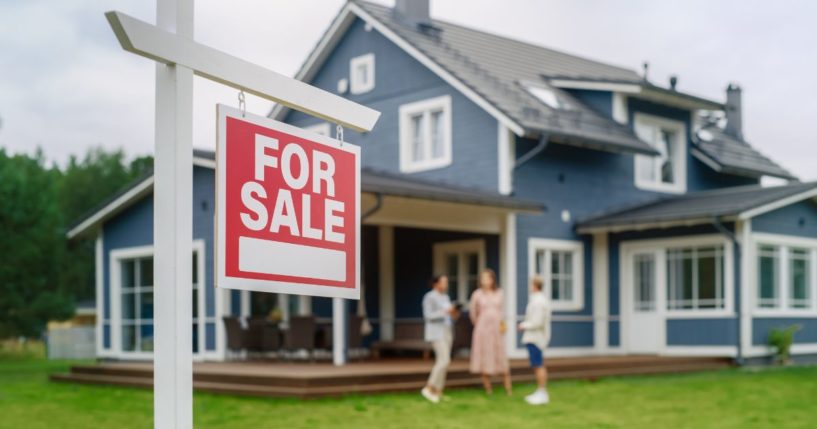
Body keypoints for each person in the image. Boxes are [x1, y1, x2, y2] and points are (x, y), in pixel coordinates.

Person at [469, 268, 512, 396]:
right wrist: (479, 324)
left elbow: (503, 311)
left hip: (497, 329)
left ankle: (508, 389)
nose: (485, 280)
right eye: (482, 278)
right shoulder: (477, 294)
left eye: (487, 278)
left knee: (500, 356)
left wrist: (502, 324)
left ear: (493, 280)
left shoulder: (499, 293)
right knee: (485, 356)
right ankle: (488, 389)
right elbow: (473, 313)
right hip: (483, 329)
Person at [421, 274, 459, 403]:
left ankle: (438, 391)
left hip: (447, 331)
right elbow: (428, 315)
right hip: (436, 333)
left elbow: (451, 315)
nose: (446, 284)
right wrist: (445, 312)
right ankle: (428, 387)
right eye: (444, 282)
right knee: (444, 360)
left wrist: (453, 312)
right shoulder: (429, 297)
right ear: (436, 284)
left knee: (444, 362)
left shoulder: (446, 297)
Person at [518, 276, 552, 405]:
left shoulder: (538, 302)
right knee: (537, 364)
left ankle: (542, 392)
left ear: (534, 285)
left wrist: (523, 325)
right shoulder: (539, 300)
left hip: (536, 338)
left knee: (538, 365)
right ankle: (540, 391)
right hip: (535, 337)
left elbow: (537, 322)